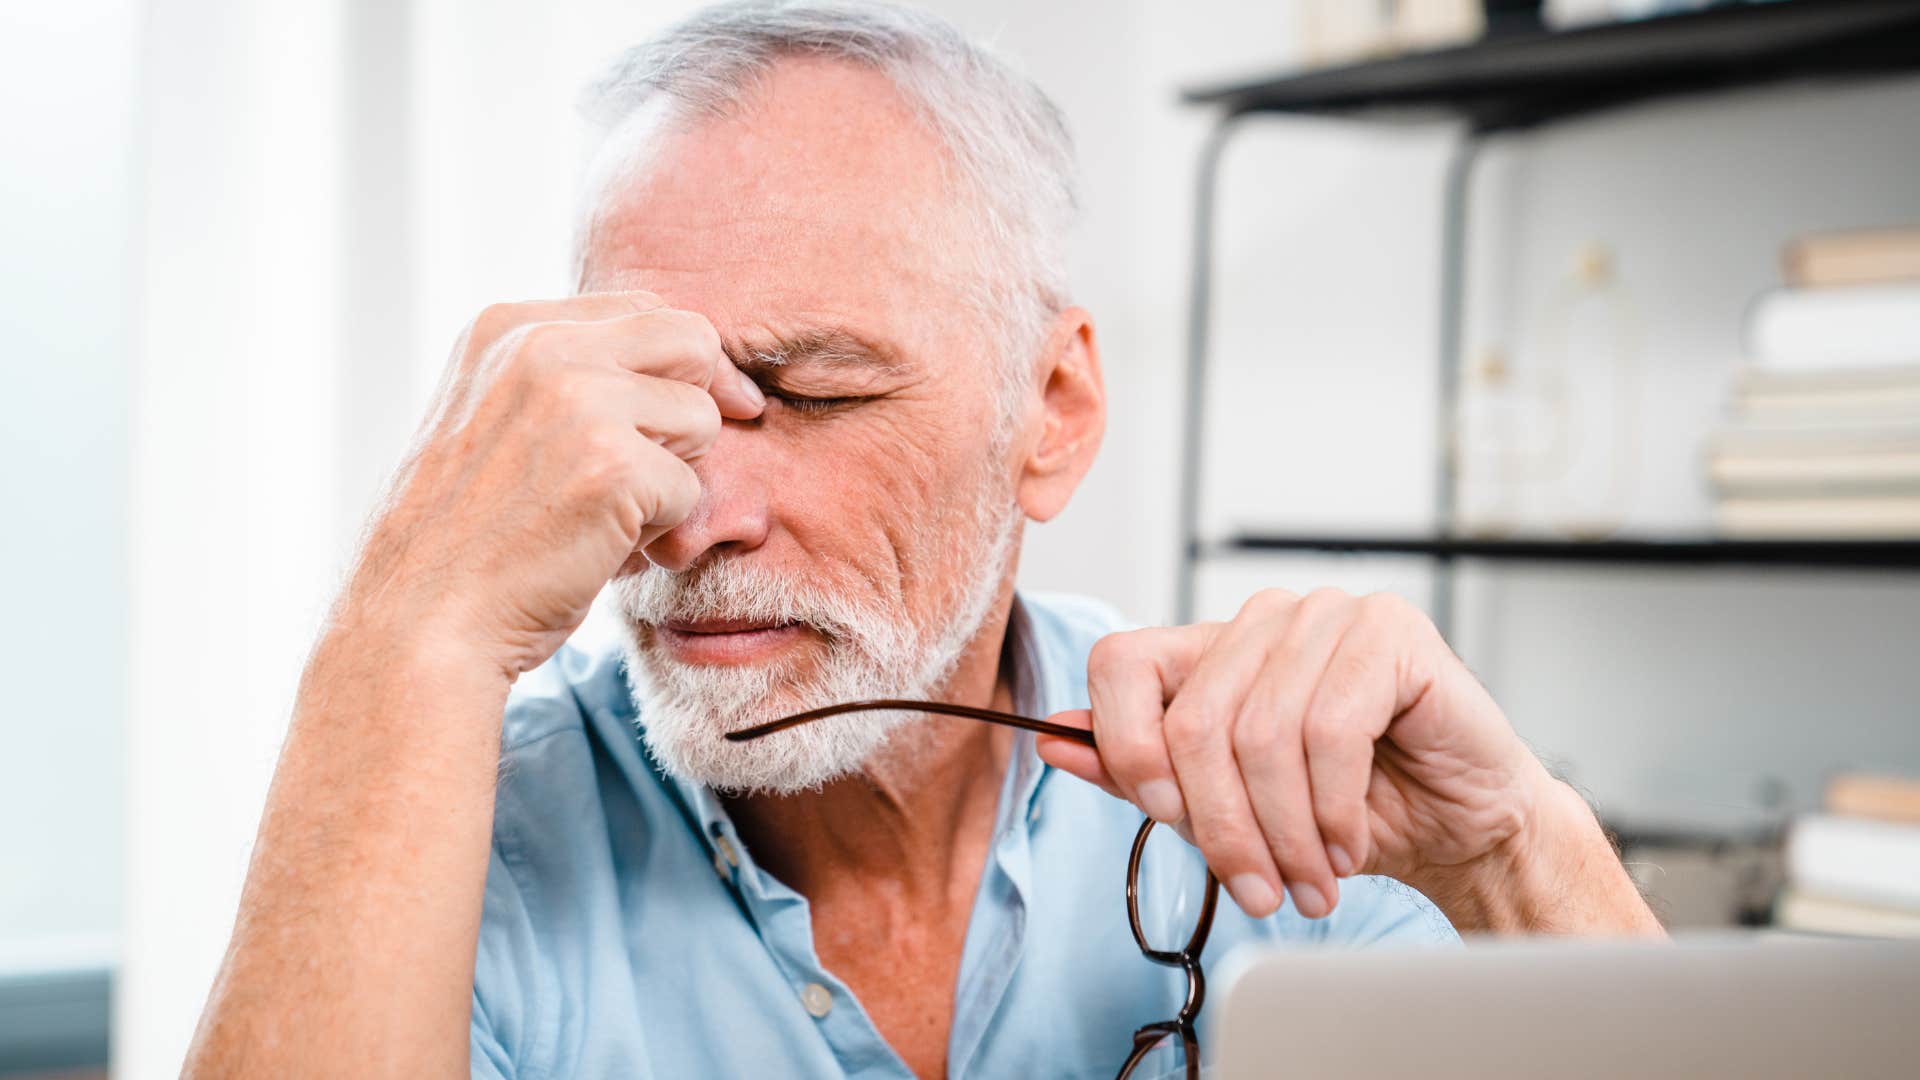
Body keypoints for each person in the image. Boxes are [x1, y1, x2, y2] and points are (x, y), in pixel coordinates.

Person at [183, 2, 1662, 1077]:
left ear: (1055, 409)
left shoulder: (1278, 804)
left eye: (810, 390)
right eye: (642, 406)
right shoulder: (467, 848)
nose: (693, 517)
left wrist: (1507, 854)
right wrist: (405, 628)